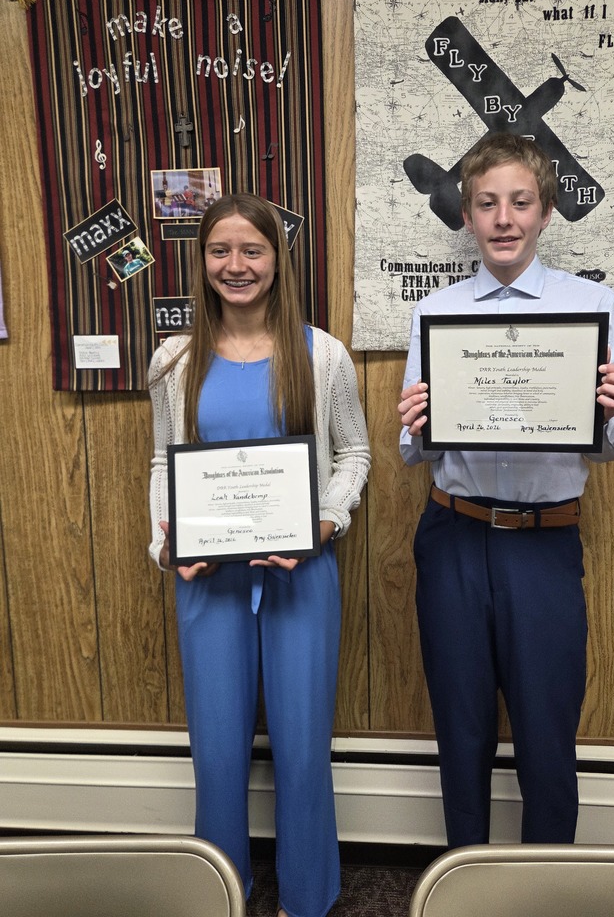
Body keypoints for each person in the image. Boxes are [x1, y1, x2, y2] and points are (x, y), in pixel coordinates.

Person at [397, 133, 614, 849]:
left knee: (546, 727)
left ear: (545, 213)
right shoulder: (435, 312)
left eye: (520, 203)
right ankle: (463, 877)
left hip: (544, 541)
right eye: (487, 204)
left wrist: (609, 407)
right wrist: (416, 422)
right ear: (468, 217)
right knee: (462, 725)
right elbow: (414, 451)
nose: (503, 218)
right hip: (454, 536)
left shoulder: (590, 305)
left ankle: (548, 883)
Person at [148, 193, 370, 915]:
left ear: (277, 259)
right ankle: (224, 891)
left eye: (252, 251)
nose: (236, 265)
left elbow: (355, 454)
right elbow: (163, 464)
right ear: (203, 260)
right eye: (220, 251)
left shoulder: (323, 352)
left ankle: (307, 897)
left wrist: (326, 523)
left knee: (303, 747)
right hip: (207, 580)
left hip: (302, 574)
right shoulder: (175, 359)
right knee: (216, 751)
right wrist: (166, 543)